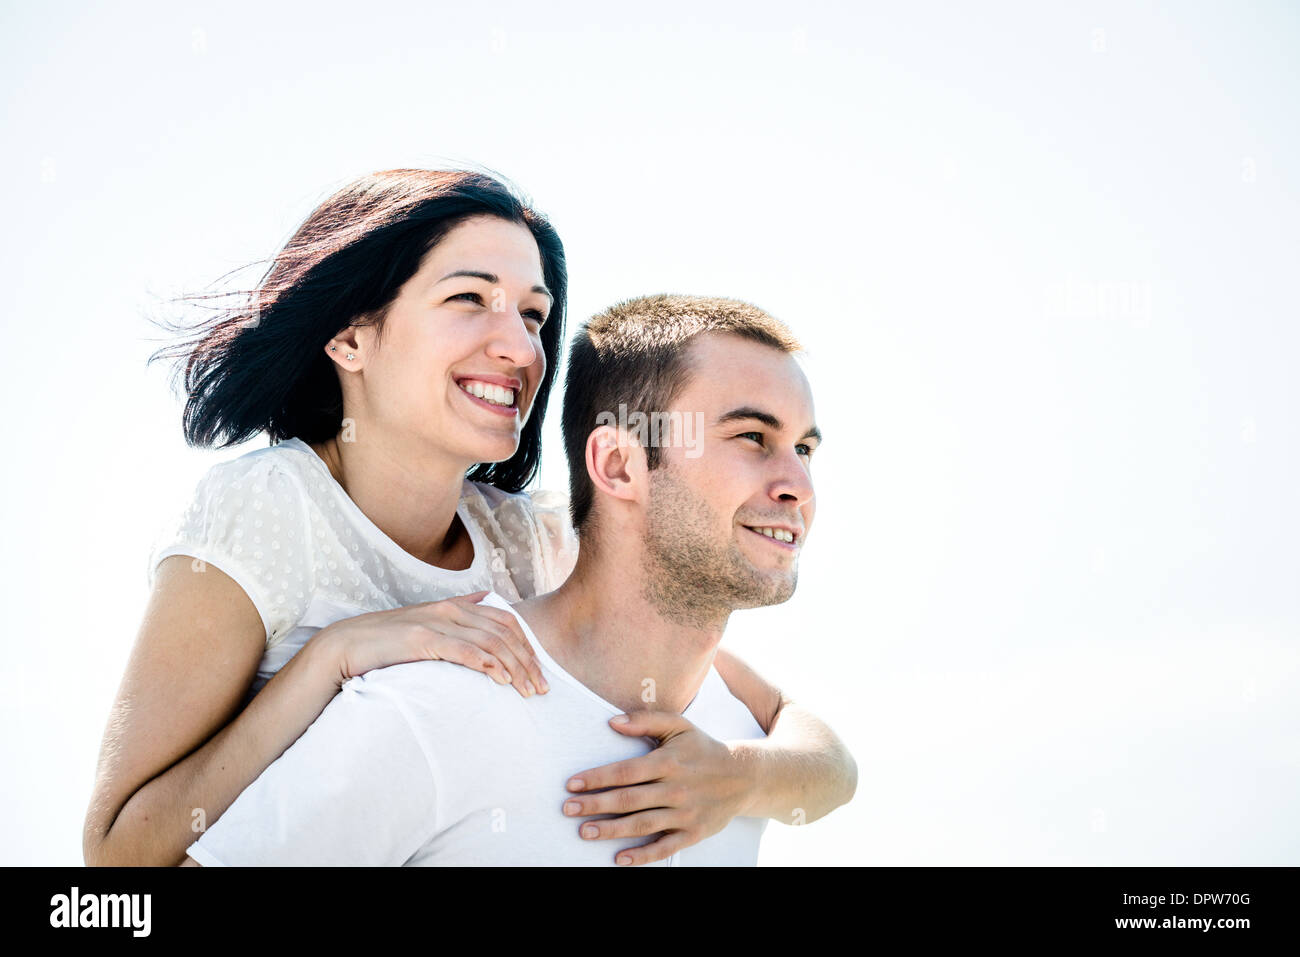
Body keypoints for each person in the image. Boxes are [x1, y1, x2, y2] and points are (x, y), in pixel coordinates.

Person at [83, 169, 855, 868]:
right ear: (351, 336)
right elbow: (114, 855)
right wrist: (333, 659)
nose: (519, 345)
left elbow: (801, 734)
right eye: (469, 298)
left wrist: (741, 777)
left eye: (533, 313)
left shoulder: (527, 541)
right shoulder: (267, 513)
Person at [183, 293, 835, 865]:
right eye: (752, 436)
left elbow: (834, 767)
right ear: (618, 464)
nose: (798, 488)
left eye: (804, 449)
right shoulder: (427, 711)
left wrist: (746, 779)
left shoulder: (744, 742)